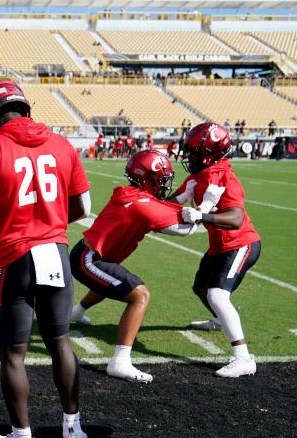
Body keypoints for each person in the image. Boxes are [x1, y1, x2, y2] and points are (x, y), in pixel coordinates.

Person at [0, 80, 91, 438]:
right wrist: (49, 222)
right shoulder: (62, 144)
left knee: (13, 355)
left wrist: (4, 227)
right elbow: (82, 207)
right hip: (54, 251)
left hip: (13, 258)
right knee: (61, 343)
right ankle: (74, 428)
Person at [70, 150, 202, 382]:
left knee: (110, 283)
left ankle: (76, 313)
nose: (164, 184)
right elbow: (184, 230)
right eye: (161, 179)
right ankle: (120, 361)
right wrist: (205, 213)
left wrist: (183, 200)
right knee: (139, 295)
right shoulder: (142, 205)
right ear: (147, 178)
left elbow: (158, 206)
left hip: (90, 254)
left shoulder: (131, 194)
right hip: (89, 259)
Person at [173, 122, 261, 378]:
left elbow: (235, 218)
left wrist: (202, 217)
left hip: (240, 243)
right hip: (220, 246)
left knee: (217, 295)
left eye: (194, 152)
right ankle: (221, 321)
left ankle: (243, 358)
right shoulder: (197, 177)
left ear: (211, 153)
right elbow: (172, 204)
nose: (189, 156)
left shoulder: (226, 178)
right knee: (201, 289)